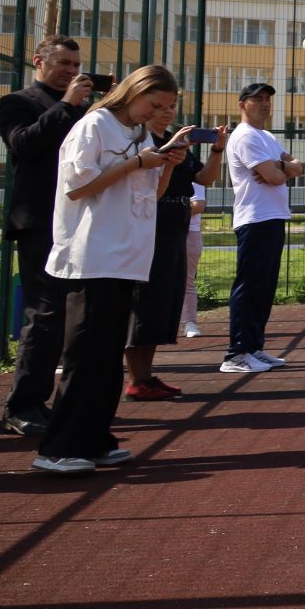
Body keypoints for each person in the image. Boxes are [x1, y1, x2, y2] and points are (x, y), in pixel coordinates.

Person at [34, 65, 195, 474]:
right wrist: (138, 163)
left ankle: (95, 439)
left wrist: (168, 163)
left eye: (167, 106)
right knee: (86, 355)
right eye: (154, 104)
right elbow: (77, 184)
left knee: (107, 358)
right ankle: (58, 447)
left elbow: (152, 192)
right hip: (93, 254)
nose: (157, 113)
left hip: (128, 255)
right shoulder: (95, 125)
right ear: (133, 92)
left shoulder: (139, 134)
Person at [0, 35, 93, 436]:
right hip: (39, 220)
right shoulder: (17, 102)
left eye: (76, 65)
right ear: (39, 61)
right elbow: (23, 144)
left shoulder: (86, 110)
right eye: (64, 63)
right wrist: (67, 105)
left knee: (73, 315)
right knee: (45, 312)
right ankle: (24, 404)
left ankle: (57, 401)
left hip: (80, 220)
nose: (72, 71)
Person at [125, 98, 224, 399]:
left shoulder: (174, 141)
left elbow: (204, 178)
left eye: (171, 106)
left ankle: (146, 376)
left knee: (163, 299)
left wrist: (217, 150)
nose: (168, 111)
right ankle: (136, 378)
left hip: (176, 223)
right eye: (160, 105)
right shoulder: (139, 140)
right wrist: (170, 153)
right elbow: (149, 185)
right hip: (151, 222)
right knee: (144, 298)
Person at [222, 82, 304, 373]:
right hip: (255, 219)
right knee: (250, 285)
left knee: (264, 287)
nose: (265, 103)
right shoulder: (244, 136)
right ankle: (236, 354)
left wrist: (281, 167)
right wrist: (282, 169)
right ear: (242, 104)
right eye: (257, 99)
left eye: (268, 98)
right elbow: (276, 176)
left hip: (272, 217)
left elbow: (297, 166)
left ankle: (254, 347)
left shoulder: (267, 136)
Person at [182, 180, 208, 337]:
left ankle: (189, 322)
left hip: (189, 231)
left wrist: (170, 208)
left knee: (187, 279)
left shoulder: (194, 174)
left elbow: (198, 205)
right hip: (157, 231)